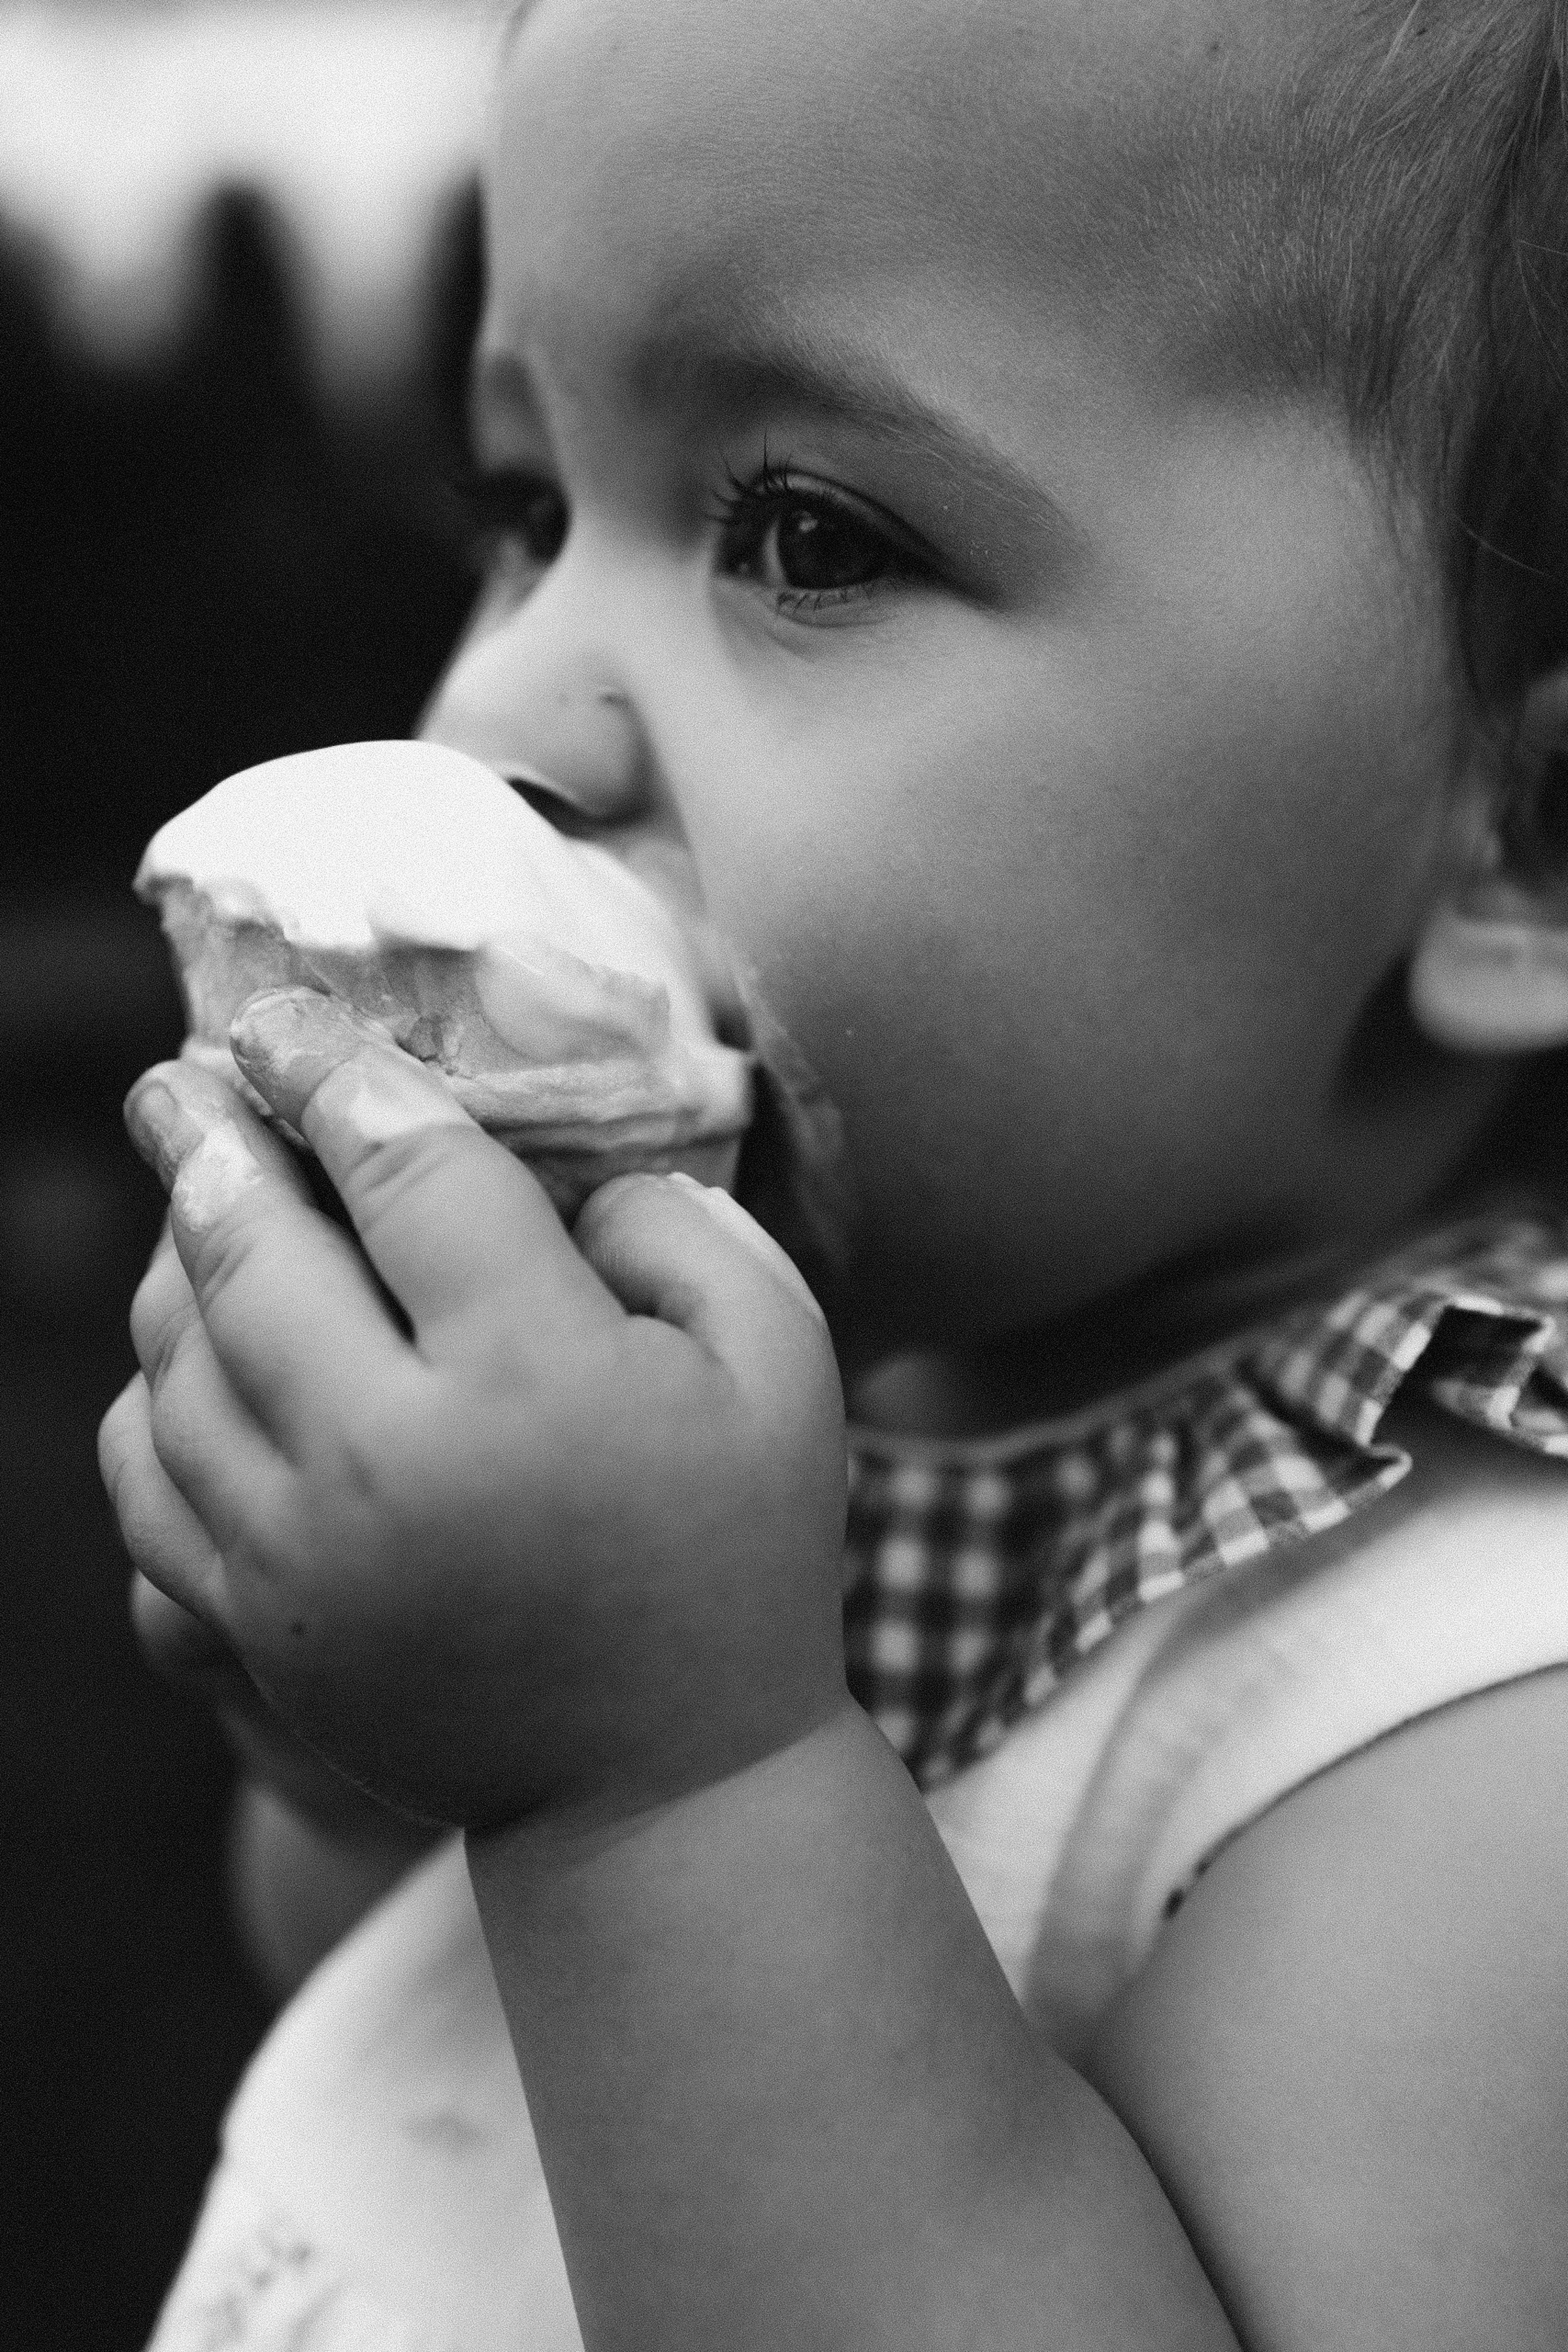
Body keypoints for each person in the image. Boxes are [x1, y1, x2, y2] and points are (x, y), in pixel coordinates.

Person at [98, 1, 1568, 2345]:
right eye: (523, 511)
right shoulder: (824, 1368)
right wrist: (374, 1724)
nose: (490, 719)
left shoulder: (1468, 1714)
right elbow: (426, 2034)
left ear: (1528, 839)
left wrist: (655, 1787)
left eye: (806, 532)